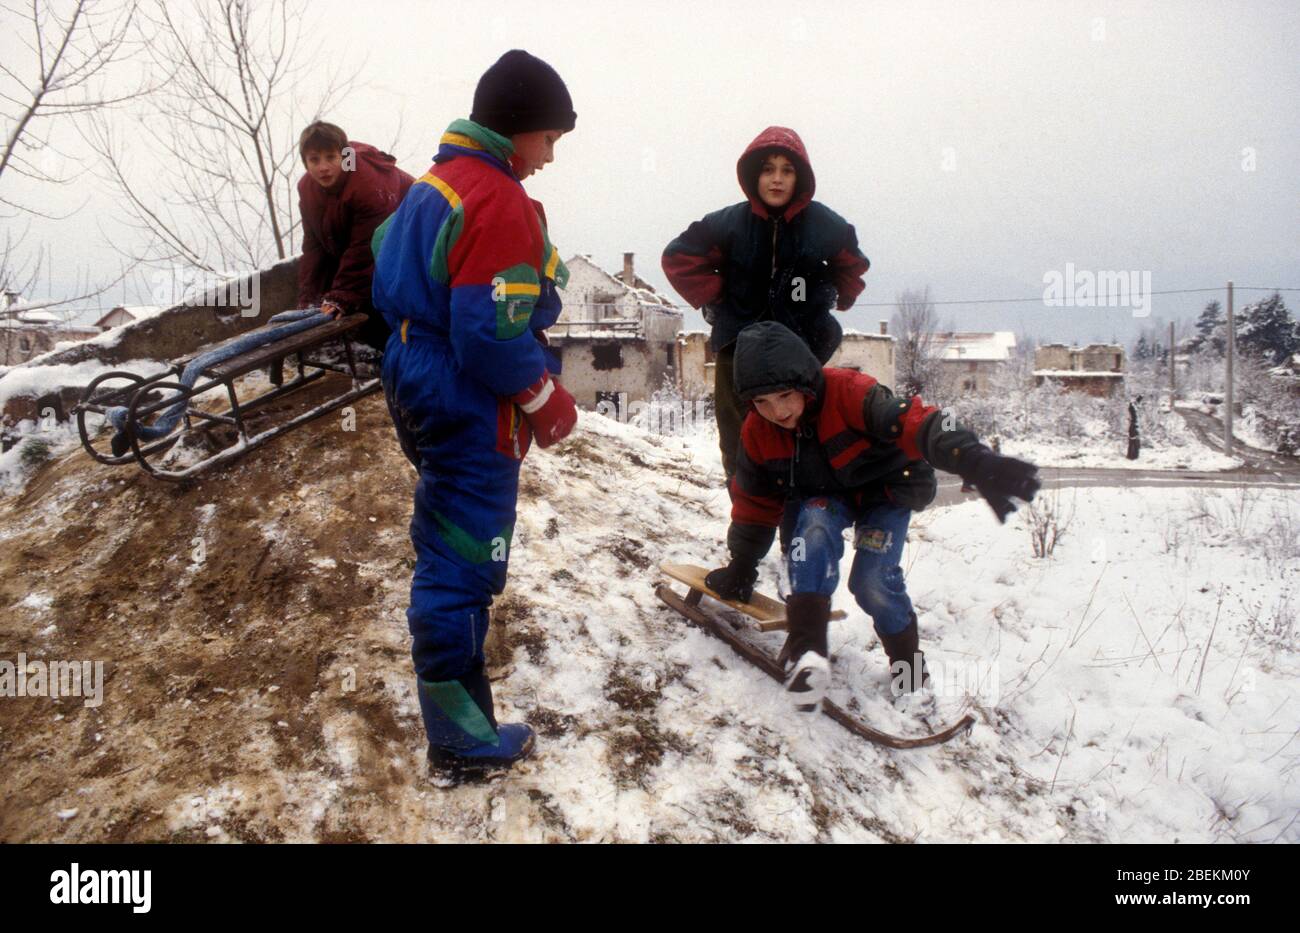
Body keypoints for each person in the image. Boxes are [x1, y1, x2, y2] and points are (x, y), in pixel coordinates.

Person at [370, 50, 578, 777]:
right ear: (517, 128)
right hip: (463, 389)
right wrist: (547, 403)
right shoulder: (496, 197)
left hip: (413, 370)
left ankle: (457, 719)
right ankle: (460, 738)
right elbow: (486, 331)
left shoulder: (433, 186)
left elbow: (384, 263)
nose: (550, 156)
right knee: (464, 558)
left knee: (445, 536)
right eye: (550, 138)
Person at [704, 321, 1040, 710]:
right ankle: (808, 654)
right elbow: (754, 500)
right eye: (762, 402)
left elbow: (921, 420)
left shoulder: (849, 392)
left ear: (806, 383)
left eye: (784, 395)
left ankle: (910, 672)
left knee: (873, 583)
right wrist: (743, 565)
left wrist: (975, 460)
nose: (776, 412)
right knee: (811, 530)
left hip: (885, 491)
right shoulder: (758, 431)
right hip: (824, 497)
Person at [662, 126, 871, 481]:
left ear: (799, 177)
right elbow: (678, 257)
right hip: (738, 343)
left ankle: (800, 516)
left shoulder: (823, 224)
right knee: (739, 437)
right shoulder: (728, 223)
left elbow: (852, 264)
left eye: (787, 170)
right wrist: (717, 295)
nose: (776, 179)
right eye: (767, 169)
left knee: (800, 431)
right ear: (753, 175)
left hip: (800, 343)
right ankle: (748, 518)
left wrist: (833, 295)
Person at [297, 121, 414, 355]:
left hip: (405, 244)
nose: (323, 167)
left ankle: (391, 353)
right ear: (305, 163)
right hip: (364, 247)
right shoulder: (308, 189)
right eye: (314, 160)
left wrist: (341, 296)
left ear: (345, 155)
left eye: (331, 157)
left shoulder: (367, 187)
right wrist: (309, 299)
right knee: (333, 298)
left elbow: (365, 249)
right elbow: (314, 247)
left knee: (383, 307)